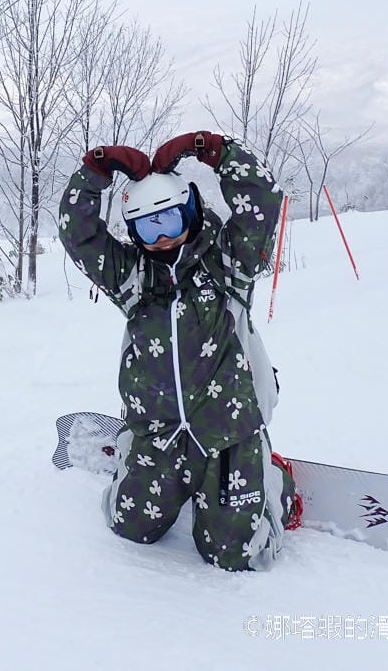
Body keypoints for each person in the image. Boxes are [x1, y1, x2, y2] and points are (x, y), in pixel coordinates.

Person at [58, 131, 302, 571]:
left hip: (226, 431)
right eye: (147, 227)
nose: (161, 237)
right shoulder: (132, 277)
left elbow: (262, 199)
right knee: (130, 527)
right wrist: (93, 172)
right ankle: (132, 448)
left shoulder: (229, 265)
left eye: (169, 220)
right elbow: (79, 236)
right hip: (159, 430)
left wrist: (216, 151)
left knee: (233, 555)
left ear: (189, 210)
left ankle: (271, 479)